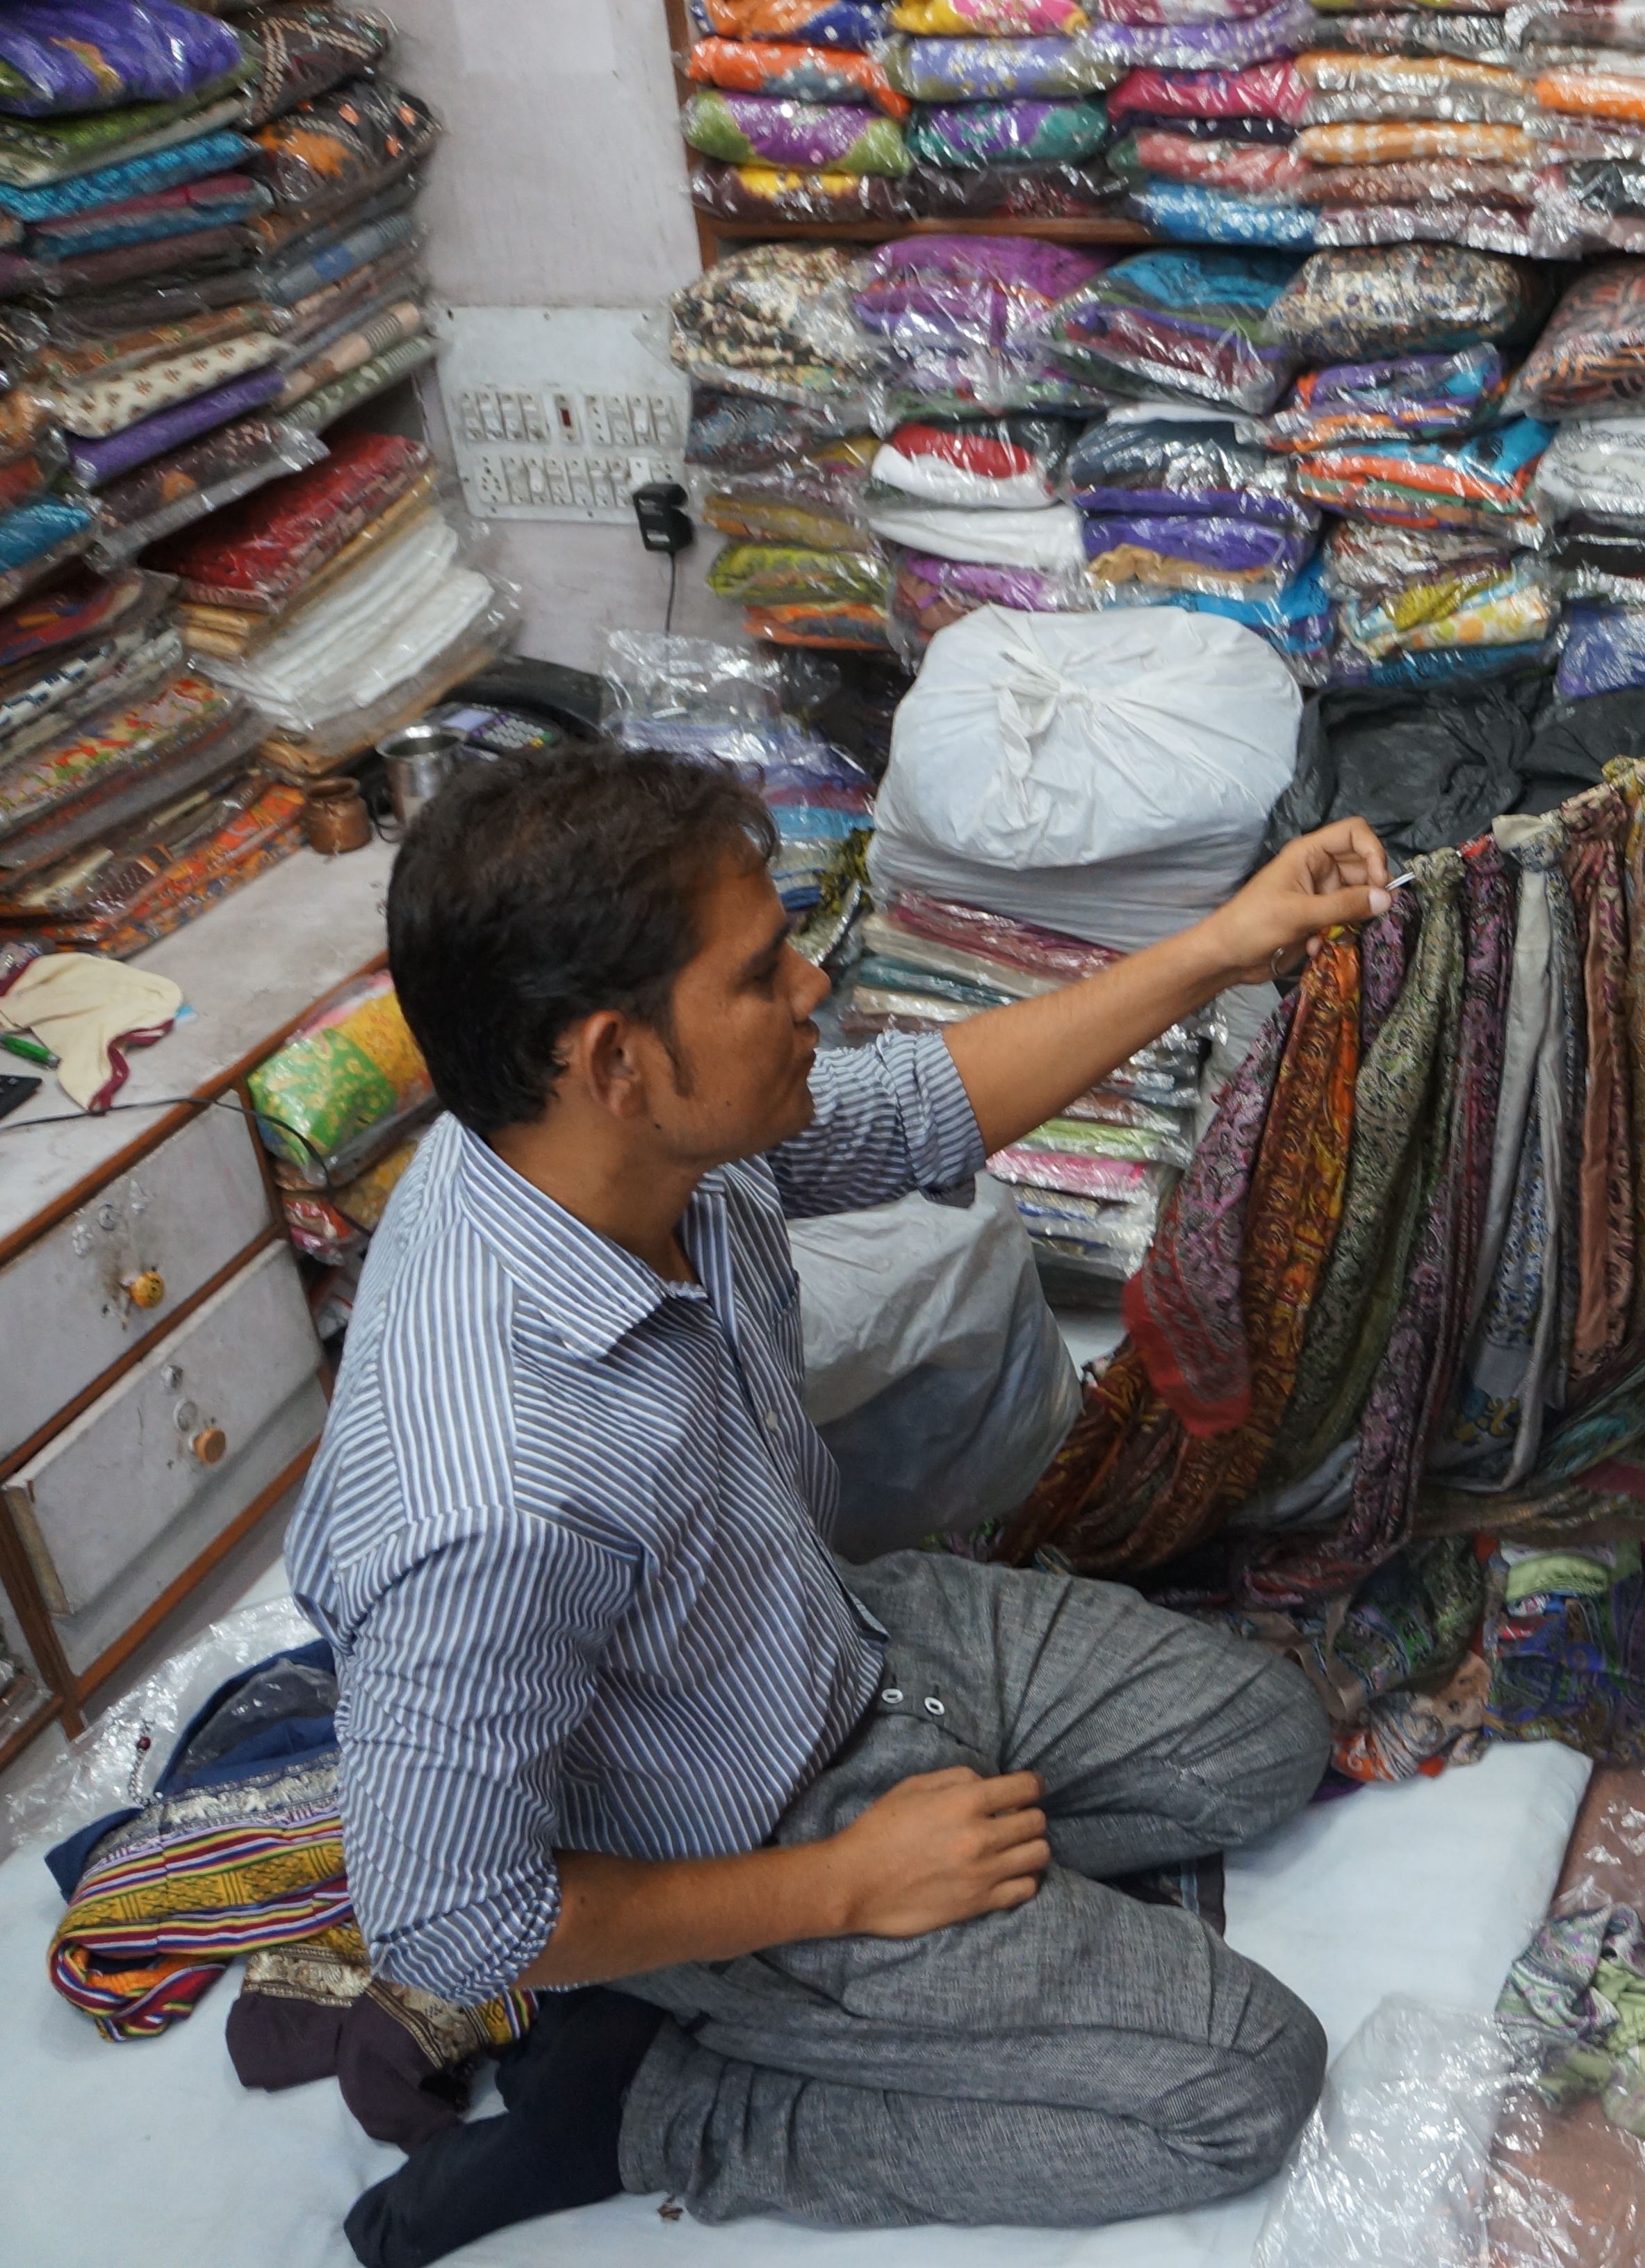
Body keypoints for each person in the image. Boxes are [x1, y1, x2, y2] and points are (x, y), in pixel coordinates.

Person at [290, 743, 1396, 2267]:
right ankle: (658, 2106)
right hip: (740, 1829)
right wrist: (846, 1886)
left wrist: (1222, 941)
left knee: (1262, 1740)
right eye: (760, 974)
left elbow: (918, 1109)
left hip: (834, 1642)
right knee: (1239, 2091)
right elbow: (450, 1925)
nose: (811, 986)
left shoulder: (625, 1151)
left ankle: (930, 1927)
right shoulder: (491, 1490)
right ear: (615, 1061)